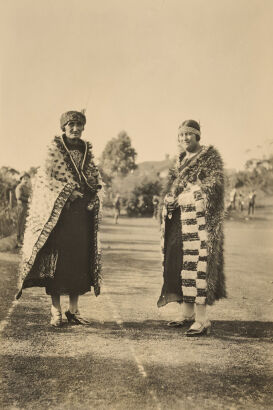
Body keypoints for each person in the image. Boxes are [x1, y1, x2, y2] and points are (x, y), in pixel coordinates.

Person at [16, 110, 103, 327]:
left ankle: (73, 310)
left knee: (78, 261)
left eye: (79, 125)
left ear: (83, 128)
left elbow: (93, 177)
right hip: (59, 217)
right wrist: (68, 192)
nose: (75, 128)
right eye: (71, 124)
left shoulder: (86, 150)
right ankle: (55, 311)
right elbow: (46, 180)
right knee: (57, 264)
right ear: (63, 127)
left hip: (80, 216)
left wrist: (93, 193)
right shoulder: (54, 150)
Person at [157, 119, 226, 336]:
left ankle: (202, 319)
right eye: (181, 135)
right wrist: (169, 198)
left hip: (200, 223)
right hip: (179, 219)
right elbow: (171, 188)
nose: (184, 138)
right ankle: (186, 314)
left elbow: (214, 186)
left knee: (198, 264)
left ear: (197, 136)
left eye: (188, 134)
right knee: (179, 261)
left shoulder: (209, 158)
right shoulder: (179, 160)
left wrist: (187, 196)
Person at [15, 173, 32, 246]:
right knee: (20, 222)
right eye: (24, 178)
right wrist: (28, 199)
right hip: (21, 206)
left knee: (25, 223)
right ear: (21, 179)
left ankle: (23, 240)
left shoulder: (27, 187)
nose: (26, 180)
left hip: (26, 207)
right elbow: (19, 197)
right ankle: (18, 241)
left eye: (27, 178)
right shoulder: (19, 187)